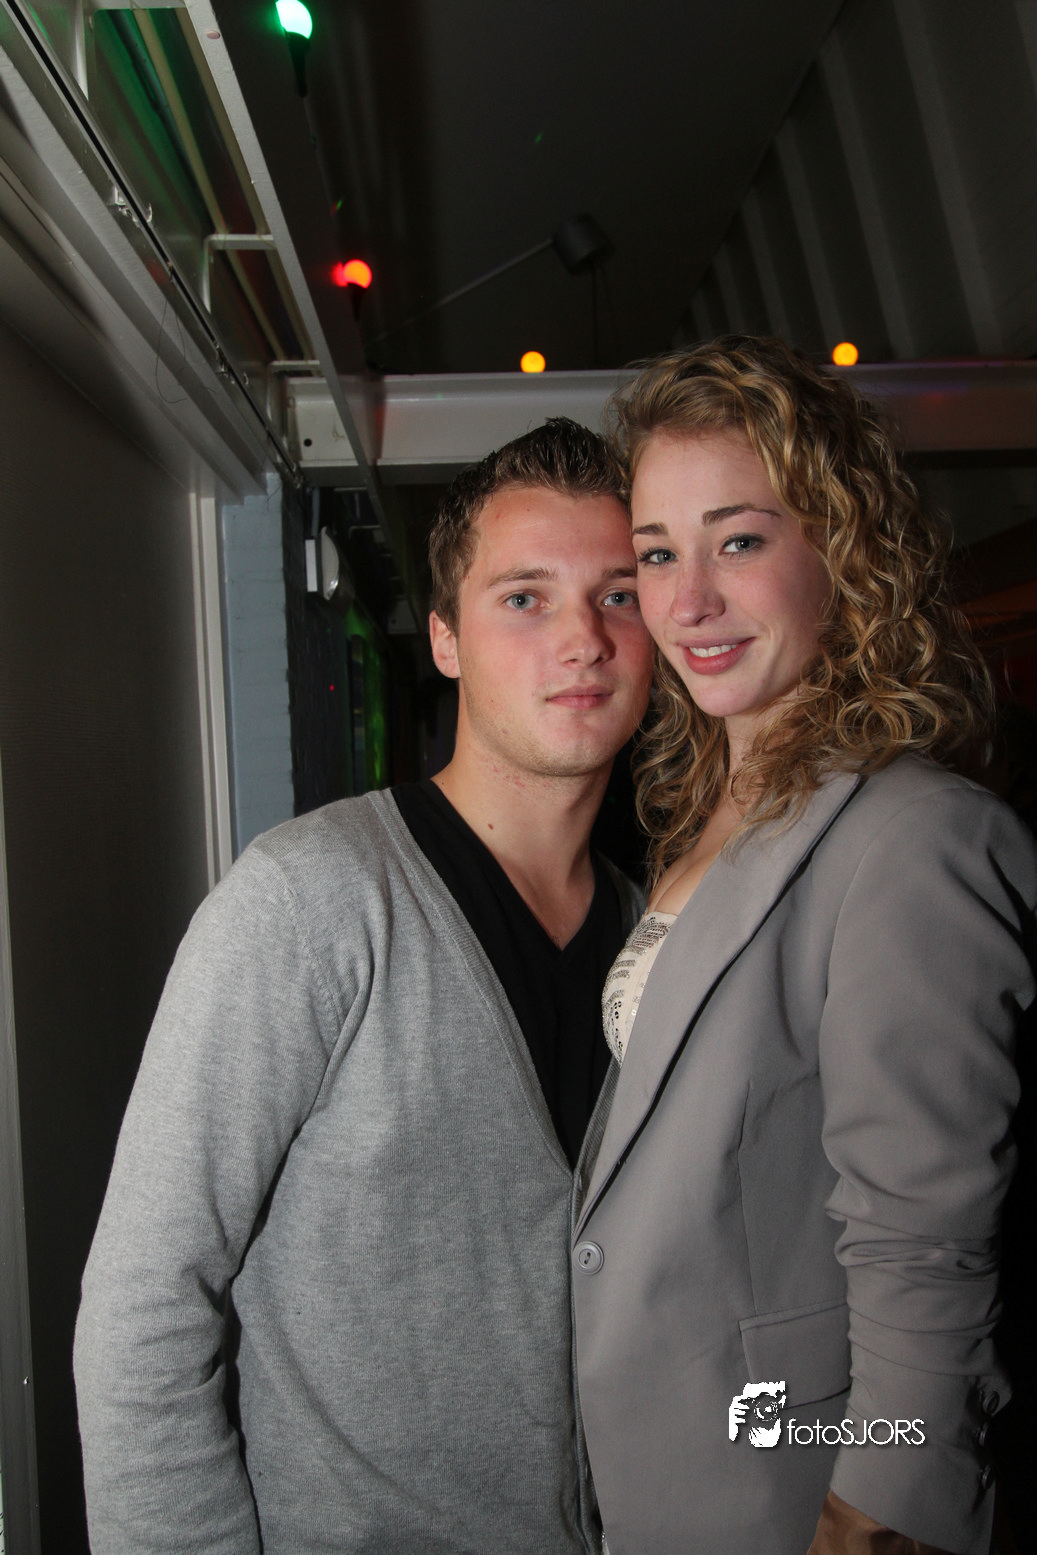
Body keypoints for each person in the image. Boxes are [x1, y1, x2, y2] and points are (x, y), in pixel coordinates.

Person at [74, 417, 654, 1555]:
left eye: (618, 595)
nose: (582, 639)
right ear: (444, 639)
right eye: (524, 598)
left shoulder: (660, 935)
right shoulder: (310, 900)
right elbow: (142, 1307)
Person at [570, 338, 1037, 1555]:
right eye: (656, 554)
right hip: (667, 1471)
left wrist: (871, 1518)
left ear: (840, 548)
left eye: (736, 541)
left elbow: (924, 1249)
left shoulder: (913, 836)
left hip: (784, 1496)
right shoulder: (703, 814)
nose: (686, 602)